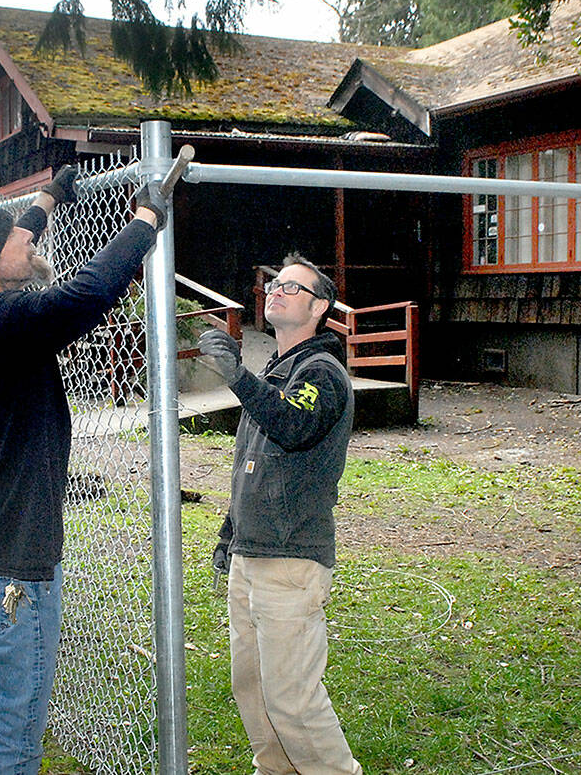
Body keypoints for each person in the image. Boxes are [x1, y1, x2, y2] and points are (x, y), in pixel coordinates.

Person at [0, 167, 164, 774]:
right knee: (17, 727)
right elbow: (81, 297)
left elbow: (12, 243)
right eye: (15, 236)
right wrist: (143, 222)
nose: (28, 239)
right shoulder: (4, 322)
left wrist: (46, 201)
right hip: (16, 562)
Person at [198, 254, 361, 775]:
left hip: (290, 558)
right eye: (274, 285)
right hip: (251, 553)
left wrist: (235, 375)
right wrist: (230, 534)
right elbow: (253, 467)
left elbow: (292, 425)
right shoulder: (278, 374)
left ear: (319, 307)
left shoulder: (322, 372)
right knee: (252, 688)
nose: (276, 291)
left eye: (292, 288)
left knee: (291, 699)